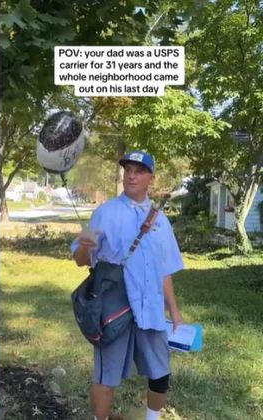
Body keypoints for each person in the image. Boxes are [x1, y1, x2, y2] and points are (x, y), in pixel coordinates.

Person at [71, 151, 184, 420]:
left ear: (150, 178)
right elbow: (80, 259)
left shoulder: (160, 221)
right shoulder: (105, 213)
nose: (131, 175)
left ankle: (151, 418)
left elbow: (165, 271)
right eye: (128, 170)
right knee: (105, 378)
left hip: (151, 309)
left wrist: (174, 311)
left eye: (139, 170)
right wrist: (85, 248)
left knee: (160, 374)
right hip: (114, 307)